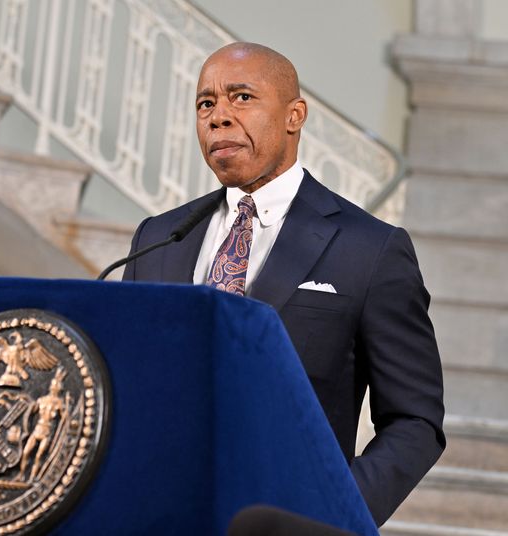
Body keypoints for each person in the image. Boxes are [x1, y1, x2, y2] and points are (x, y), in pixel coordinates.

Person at [122, 42, 445, 527]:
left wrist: (335, 510)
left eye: (242, 97)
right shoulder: (158, 237)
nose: (218, 117)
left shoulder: (370, 249)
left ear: (295, 116)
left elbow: (415, 420)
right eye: (206, 103)